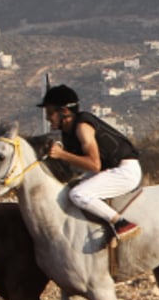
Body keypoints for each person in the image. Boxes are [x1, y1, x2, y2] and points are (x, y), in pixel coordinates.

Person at [37, 84, 141, 241]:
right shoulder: (69, 130)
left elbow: (94, 164)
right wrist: (60, 151)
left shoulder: (82, 127)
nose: (47, 118)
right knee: (69, 188)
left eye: (50, 113)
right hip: (110, 170)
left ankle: (121, 223)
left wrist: (62, 154)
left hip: (124, 171)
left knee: (78, 194)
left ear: (64, 111)